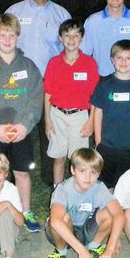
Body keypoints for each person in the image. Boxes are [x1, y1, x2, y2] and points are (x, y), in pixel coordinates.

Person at [0, 13, 44, 233]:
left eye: (11, 35)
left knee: (22, 172)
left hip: (21, 130)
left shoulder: (29, 66)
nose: (7, 39)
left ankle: (25, 211)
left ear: (18, 37)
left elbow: (36, 100)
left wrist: (25, 125)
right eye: (3, 35)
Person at [3, 0, 71, 185]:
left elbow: (71, 48)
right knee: (16, 127)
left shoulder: (61, 14)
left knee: (49, 130)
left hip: (51, 82)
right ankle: (13, 176)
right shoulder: (14, 12)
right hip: (19, 83)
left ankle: (50, 178)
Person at [41, 148, 125, 258]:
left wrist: (109, 249)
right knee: (62, 218)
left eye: (93, 172)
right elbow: (55, 222)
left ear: (99, 174)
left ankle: (93, 247)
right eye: (82, 171)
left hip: (86, 228)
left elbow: (119, 214)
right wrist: (81, 251)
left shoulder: (99, 188)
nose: (88, 177)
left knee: (109, 212)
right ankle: (61, 252)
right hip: (65, 232)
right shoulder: (63, 190)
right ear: (73, 170)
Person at [42, 19, 98, 186]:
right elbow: (48, 93)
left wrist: (91, 121)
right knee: (59, 157)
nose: (71, 39)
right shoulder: (54, 63)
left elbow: (95, 96)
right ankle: (58, 191)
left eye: (76, 35)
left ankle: (77, 192)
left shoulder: (89, 63)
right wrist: (47, 120)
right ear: (60, 38)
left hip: (79, 116)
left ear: (82, 38)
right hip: (57, 115)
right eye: (67, 35)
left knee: (79, 159)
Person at [91, 40, 130, 191]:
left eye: (128, 58)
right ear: (112, 60)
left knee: (127, 183)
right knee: (105, 183)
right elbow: (98, 112)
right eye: (119, 57)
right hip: (107, 145)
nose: (123, 62)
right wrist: (98, 141)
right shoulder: (104, 84)